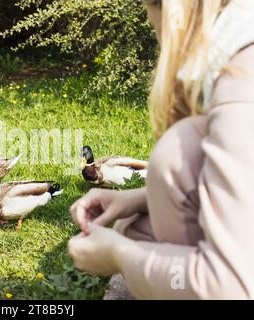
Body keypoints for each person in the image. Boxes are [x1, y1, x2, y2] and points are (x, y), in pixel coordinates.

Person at [68, 0, 254, 299]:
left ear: (170, 10)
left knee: (180, 149)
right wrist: (139, 199)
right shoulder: (239, 54)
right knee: (139, 223)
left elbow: (230, 288)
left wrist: (119, 255)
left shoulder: (241, 85)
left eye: (149, 14)